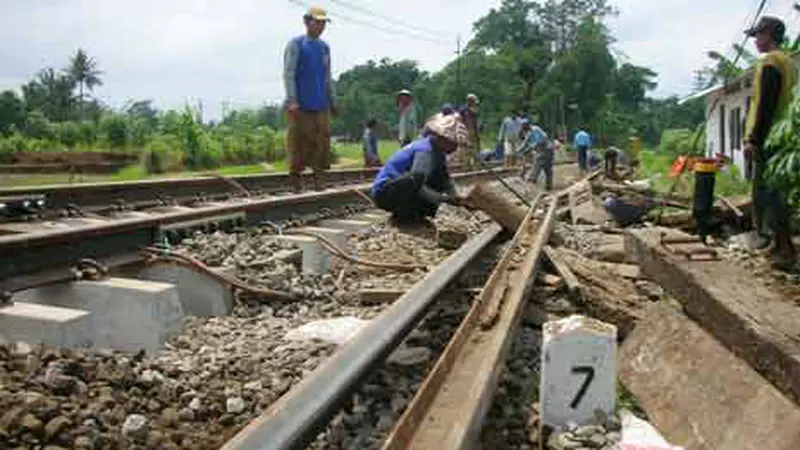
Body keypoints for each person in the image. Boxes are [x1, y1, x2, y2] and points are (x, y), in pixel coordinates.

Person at [743, 16, 797, 269]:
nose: (755, 41)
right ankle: (779, 244)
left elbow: (766, 103)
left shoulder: (769, 62)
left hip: (768, 136)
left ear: (768, 35)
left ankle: (782, 248)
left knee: (767, 194)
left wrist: (754, 138)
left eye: (758, 35)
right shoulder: (788, 62)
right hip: (782, 135)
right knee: (777, 192)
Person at [371, 113, 471, 223]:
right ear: (442, 138)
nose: (455, 148)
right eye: (453, 143)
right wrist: (444, 199)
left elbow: (445, 179)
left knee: (438, 178)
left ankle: (414, 214)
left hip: (400, 187)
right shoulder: (424, 151)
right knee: (417, 178)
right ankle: (404, 214)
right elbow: (417, 184)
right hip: (385, 193)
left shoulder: (438, 153)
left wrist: (457, 197)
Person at [283, 6, 336, 192]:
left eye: (323, 23)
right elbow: (289, 73)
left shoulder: (324, 47)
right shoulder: (296, 44)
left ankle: (319, 177)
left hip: (321, 103)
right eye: (317, 22)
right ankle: (296, 178)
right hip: (300, 104)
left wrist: (333, 100)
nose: (321, 26)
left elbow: (327, 76)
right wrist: (292, 99)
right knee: (299, 141)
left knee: (321, 141)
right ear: (307, 22)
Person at [515, 120, 554, 190]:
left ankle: (532, 181)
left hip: (546, 149)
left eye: (523, 126)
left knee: (538, 164)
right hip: (542, 149)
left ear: (527, 125)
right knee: (546, 168)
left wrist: (528, 149)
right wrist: (518, 150)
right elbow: (525, 142)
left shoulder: (535, 129)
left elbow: (539, 141)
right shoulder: (529, 132)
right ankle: (549, 186)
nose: (522, 128)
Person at [458, 94, 481, 167]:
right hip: (466, 131)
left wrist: (477, 133)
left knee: (475, 148)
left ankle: (475, 164)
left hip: (473, 132)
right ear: (470, 101)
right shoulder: (463, 110)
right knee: (467, 149)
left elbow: (475, 122)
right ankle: (467, 165)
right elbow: (460, 122)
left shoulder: (474, 110)